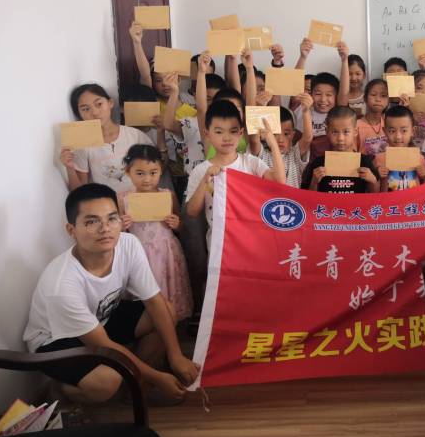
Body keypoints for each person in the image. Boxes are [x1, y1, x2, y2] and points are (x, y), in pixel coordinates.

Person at [23, 184, 199, 404]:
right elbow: (102, 342)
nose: (105, 228)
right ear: (71, 230)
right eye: (92, 221)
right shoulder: (61, 285)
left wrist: (176, 357)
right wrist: (158, 377)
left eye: (112, 218)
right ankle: (60, 390)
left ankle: (138, 384)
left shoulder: (128, 244)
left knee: (167, 310)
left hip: (101, 318)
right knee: (107, 382)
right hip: (56, 340)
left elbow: (154, 301)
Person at [185, 100, 285, 246]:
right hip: (218, 246)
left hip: (252, 242)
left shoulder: (251, 163)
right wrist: (205, 180)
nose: (227, 138)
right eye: (219, 132)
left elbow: (280, 183)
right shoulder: (200, 170)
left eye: (233, 131)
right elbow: (192, 212)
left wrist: (273, 143)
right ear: (207, 134)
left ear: (240, 133)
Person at [119, 145, 192, 321]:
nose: (147, 179)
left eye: (153, 173)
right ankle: (149, 323)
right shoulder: (122, 198)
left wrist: (176, 224)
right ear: (128, 172)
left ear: (161, 171)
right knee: (144, 291)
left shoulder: (167, 195)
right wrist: (121, 226)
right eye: (140, 173)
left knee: (169, 287)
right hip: (138, 253)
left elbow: (181, 226)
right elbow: (119, 231)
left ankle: (172, 322)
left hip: (166, 251)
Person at [60, 84, 153, 192]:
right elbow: (79, 191)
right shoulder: (83, 145)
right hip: (107, 202)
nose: (94, 112)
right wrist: (69, 167)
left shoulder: (135, 135)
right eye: (85, 109)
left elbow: (156, 169)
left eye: (99, 104)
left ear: (110, 103)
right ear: (79, 114)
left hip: (139, 199)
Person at [243, 48, 313, 188]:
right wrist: (259, 107)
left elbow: (307, 138)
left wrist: (305, 111)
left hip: (292, 202)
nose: (280, 139)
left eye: (286, 133)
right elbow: (254, 138)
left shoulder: (294, 154)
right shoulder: (262, 154)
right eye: (274, 133)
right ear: (265, 133)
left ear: (293, 134)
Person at [301, 106, 379, 193]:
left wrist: (373, 181)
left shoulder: (364, 162)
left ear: (355, 132)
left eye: (346, 132)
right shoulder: (319, 163)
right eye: (335, 132)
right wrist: (314, 182)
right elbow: (309, 197)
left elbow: (375, 197)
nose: (340, 138)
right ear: (327, 132)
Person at [375, 105, 425, 191]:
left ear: (412, 131)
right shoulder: (379, 159)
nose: (398, 137)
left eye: (404, 131)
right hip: (388, 200)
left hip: (413, 199)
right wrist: (378, 177)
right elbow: (373, 192)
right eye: (392, 131)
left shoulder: (419, 158)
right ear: (385, 131)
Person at [356, 79, 389, 156]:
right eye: (373, 95)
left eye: (383, 96)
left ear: (388, 101)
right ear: (365, 98)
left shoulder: (390, 123)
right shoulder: (356, 126)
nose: (378, 99)